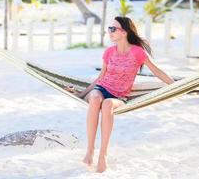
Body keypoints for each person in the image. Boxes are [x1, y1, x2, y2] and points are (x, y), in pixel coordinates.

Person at [75, 16, 175, 173]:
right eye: (109, 28)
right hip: (102, 88)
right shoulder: (109, 52)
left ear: (124, 32)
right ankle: (90, 150)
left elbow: (155, 70)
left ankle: (103, 155)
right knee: (95, 99)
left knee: (107, 105)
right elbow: (101, 77)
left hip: (119, 95)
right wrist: (82, 93)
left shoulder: (137, 52)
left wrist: (174, 85)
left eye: (113, 29)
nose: (110, 32)